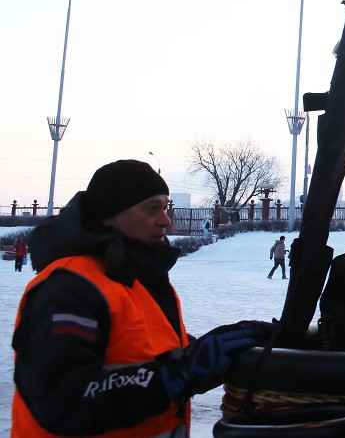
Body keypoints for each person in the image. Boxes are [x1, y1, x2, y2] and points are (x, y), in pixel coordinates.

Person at [12, 159, 266, 436]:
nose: (166, 220)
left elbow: (146, 358)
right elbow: (62, 401)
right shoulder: (70, 287)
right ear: (109, 215)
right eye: (152, 209)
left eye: (166, 207)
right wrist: (182, 371)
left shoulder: (136, 278)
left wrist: (222, 355)